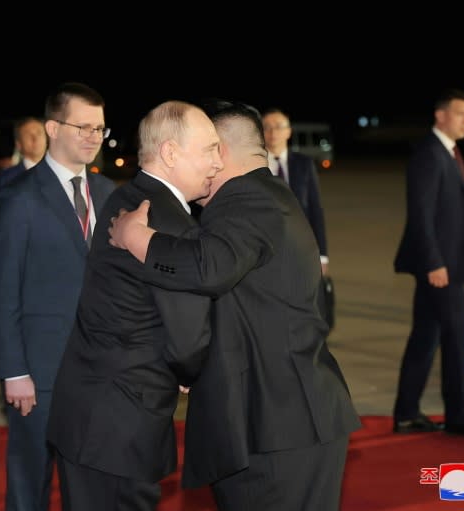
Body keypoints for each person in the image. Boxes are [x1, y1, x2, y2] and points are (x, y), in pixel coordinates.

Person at [108, 100, 361, 511]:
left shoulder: (248, 200)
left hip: (278, 429)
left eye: (206, 149)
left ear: (220, 151)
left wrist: (134, 236)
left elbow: (207, 268)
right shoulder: (268, 195)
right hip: (289, 421)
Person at [46, 100, 221, 511]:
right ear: (171, 153)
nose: (218, 161)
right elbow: (188, 337)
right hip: (120, 425)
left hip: (91, 412)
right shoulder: (171, 225)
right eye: (210, 148)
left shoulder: (126, 198)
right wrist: (191, 370)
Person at [0, 82, 116, 511]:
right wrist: (14, 369)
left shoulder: (109, 192)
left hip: (99, 370)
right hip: (39, 373)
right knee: (30, 480)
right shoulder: (19, 197)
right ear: (53, 128)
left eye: (100, 128)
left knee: (92, 482)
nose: (94, 137)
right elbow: (0, 290)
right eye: (84, 127)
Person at [392, 89, 464, 437]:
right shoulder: (429, 154)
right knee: (457, 339)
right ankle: (458, 416)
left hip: (447, 265)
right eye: (461, 114)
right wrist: (435, 263)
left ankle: (407, 413)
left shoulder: (448, 152)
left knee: (425, 337)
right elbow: (421, 215)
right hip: (441, 269)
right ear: (441, 116)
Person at [261, 108, 329, 275]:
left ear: (288, 132)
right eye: (267, 126)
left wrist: (322, 255)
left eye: (278, 126)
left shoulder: (304, 164)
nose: (272, 132)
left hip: (299, 247)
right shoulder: (254, 165)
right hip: (263, 249)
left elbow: (315, 210)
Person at [0, 116, 48, 188]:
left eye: (39, 133)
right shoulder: (8, 178)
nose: (35, 138)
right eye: (28, 135)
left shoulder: (60, 173)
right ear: (19, 144)